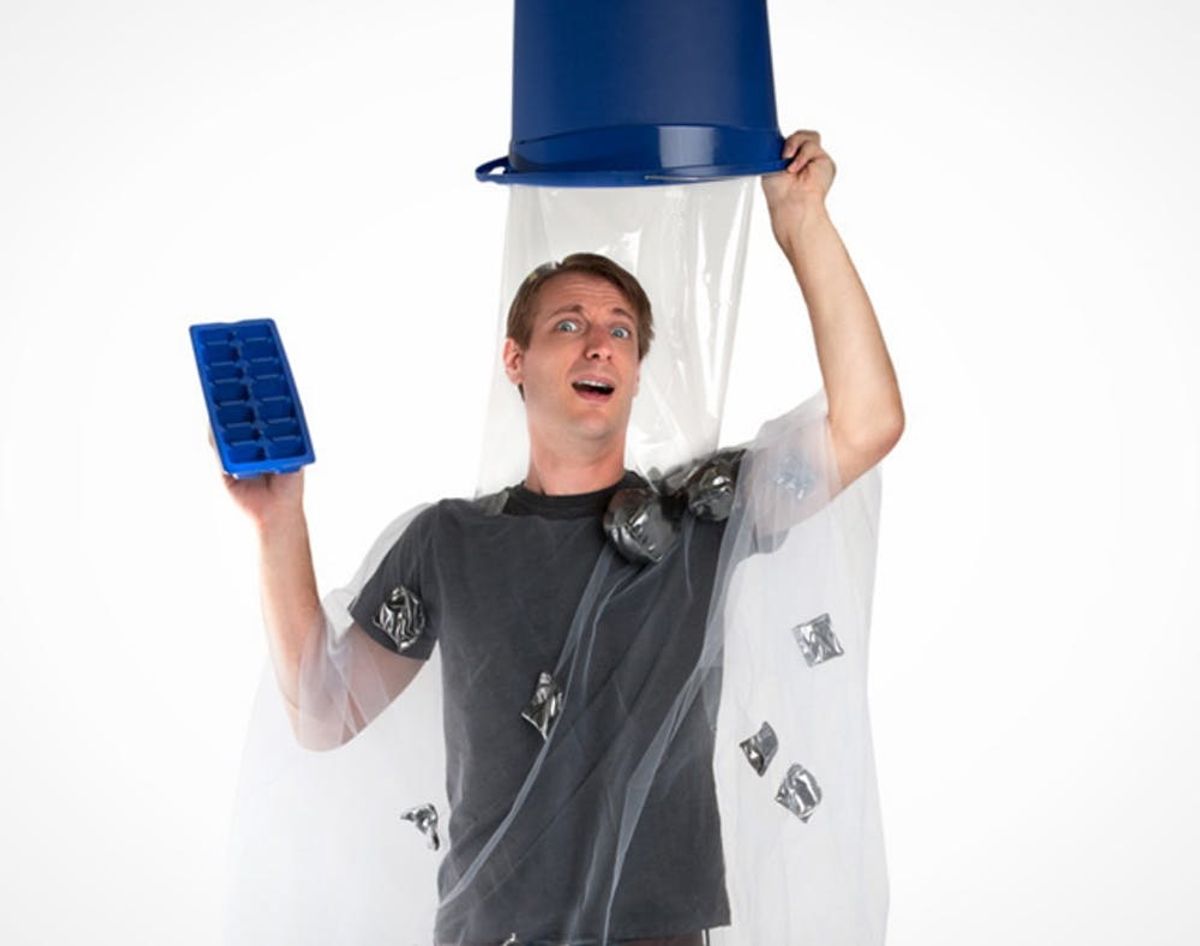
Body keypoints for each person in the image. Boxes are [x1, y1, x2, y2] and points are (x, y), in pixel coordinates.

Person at [214, 130, 904, 946]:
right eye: (568, 324)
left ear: (635, 372)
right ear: (517, 360)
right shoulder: (449, 543)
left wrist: (802, 222)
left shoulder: (699, 520)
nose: (599, 342)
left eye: (620, 330)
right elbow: (325, 713)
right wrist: (279, 521)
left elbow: (867, 423)